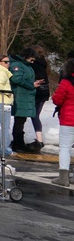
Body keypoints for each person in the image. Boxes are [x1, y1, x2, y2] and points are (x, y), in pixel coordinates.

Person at [7, 48, 42, 153]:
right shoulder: (17, 65)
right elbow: (16, 79)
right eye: (31, 59)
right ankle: (18, 144)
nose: (33, 62)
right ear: (26, 57)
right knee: (19, 120)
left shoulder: (26, 65)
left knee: (21, 120)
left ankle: (19, 143)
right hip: (20, 96)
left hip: (26, 96)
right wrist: (31, 85)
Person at [50, 58, 74, 187]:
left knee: (65, 148)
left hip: (68, 121)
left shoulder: (66, 82)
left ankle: (63, 178)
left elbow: (57, 99)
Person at [27, 45, 50, 152]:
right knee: (36, 115)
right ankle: (39, 139)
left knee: (34, 115)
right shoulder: (44, 64)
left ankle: (39, 140)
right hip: (44, 92)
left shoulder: (33, 65)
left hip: (37, 92)